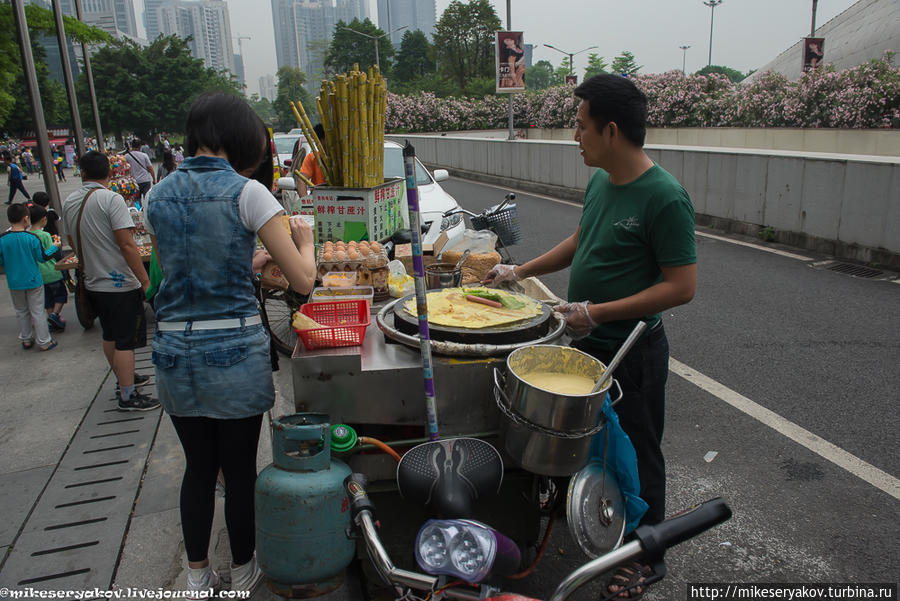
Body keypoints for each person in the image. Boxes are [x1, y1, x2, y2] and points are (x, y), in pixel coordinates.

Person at [483, 74, 697, 600]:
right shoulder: (602, 181)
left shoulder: (665, 198)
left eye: (580, 127)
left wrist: (597, 313)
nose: (573, 136)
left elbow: (682, 286)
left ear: (612, 130)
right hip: (587, 344)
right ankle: (582, 513)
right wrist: (518, 272)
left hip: (632, 352)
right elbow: (582, 240)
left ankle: (647, 557)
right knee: (587, 438)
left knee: (641, 453)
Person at [144, 92, 316, 598]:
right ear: (239, 138)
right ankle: (244, 571)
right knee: (240, 472)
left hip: (174, 353)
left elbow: (179, 273)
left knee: (199, 469)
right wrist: (302, 238)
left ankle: (198, 576)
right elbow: (303, 281)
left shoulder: (156, 195)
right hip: (234, 355)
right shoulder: (249, 193)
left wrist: (250, 262)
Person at [61, 150, 157, 412]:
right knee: (126, 340)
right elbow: (127, 244)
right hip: (119, 283)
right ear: (111, 172)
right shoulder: (111, 199)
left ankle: (122, 378)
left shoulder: (70, 200)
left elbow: (71, 241)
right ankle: (127, 396)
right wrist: (145, 280)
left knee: (111, 334)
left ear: (82, 172)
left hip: (93, 281)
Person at [0, 203, 60, 350]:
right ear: (26, 219)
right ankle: (44, 341)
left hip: (14, 281)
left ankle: (26, 339)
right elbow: (42, 257)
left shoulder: (2, 239)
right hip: (33, 279)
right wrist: (55, 246)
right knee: (37, 310)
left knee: (21, 310)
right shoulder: (31, 238)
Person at [29, 203, 67, 331]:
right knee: (60, 295)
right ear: (44, 219)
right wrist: (56, 244)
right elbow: (52, 252)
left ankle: (52, 317)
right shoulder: (45, 235)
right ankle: (54, 314)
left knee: (48, 299)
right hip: (52, 272)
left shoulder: (28, 235)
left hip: (39, 275)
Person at [296, 123, 326, 197]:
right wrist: (306, 205)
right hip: (320, 201)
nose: (316, 144)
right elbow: (302, 180)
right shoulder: (312, 158)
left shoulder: (345, 159)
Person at [124, 139, 156, 205]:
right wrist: (154, 179)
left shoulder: (127, 156)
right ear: (140, 146)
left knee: (136, 199)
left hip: (134, 182)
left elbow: (125, 169)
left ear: (131, 146)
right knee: (147, 198)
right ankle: (147, 211)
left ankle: (139, 212)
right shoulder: (144, 155)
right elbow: (150, 168)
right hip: (145, 180)